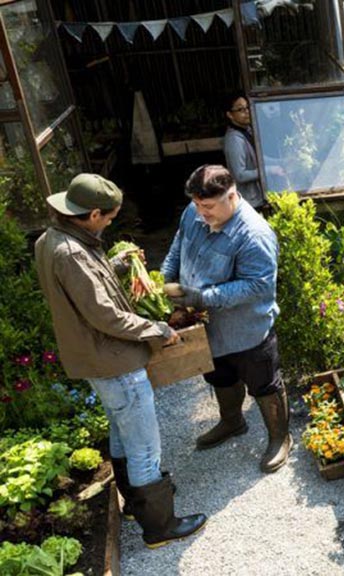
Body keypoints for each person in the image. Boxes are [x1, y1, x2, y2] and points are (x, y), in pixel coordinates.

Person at [35, 173, 207, 548]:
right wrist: (156, 328)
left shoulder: (52, 240)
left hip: (93, 361)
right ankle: (160, 527)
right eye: (109, 218)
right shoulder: (72, 253)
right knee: (144, 445)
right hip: (113, 361)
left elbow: (83, 289)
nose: (111, 222)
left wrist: (116, 264)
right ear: (92, 214)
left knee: (120, 431)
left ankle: (134, 503)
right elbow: (105, 316)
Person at [160, 165, 290, 473]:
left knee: (264, 384)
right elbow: (178, 244)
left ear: (231, 196)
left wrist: (202, 297)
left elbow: (258, 285)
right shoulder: (194, 214)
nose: (200, 213)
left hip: (247, 330)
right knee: (219, 375)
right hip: (209, 329)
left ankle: (280, 438)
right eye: (196, 205)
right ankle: (232, 422)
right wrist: (165, 279)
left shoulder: (254, 234)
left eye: (208, 206)